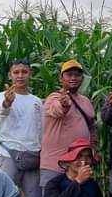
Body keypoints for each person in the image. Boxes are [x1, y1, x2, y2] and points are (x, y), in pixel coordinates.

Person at [0, 59, 43, 197]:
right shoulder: (1, 96)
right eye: (16, 72)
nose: (20, 75)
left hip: (32, 155)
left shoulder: (37, 101)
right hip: (8, 154)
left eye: (24, 72)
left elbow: (41, 130)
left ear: (30, 74)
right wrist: (7, 102)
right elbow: (2, 110)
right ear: (9, 75)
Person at [40, 59, 98, 189]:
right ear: (61, 78)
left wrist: (94, 149)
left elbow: (92, 127)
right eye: (69, 75)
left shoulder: (86, 101)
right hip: (54, 165)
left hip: (79, 165)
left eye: (77, 75)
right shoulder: (53, 98)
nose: (73, 78)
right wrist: (64, 105)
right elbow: (56, 110)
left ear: (82, 79)